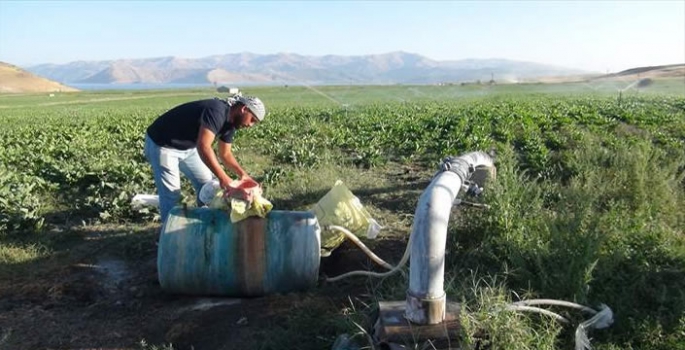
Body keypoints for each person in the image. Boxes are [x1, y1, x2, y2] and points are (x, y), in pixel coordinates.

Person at [143, 94, 266, 225]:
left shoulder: (231, 124)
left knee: (206, 185)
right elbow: (204, 147)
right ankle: (166, 239)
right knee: (171, 194)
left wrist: (245, 177)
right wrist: (224, 179)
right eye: (252, 119)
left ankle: (204, 224)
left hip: (189, 147)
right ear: (244, 109)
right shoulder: (216, 111)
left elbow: (225, 154)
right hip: (163, 145)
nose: (251, 125)